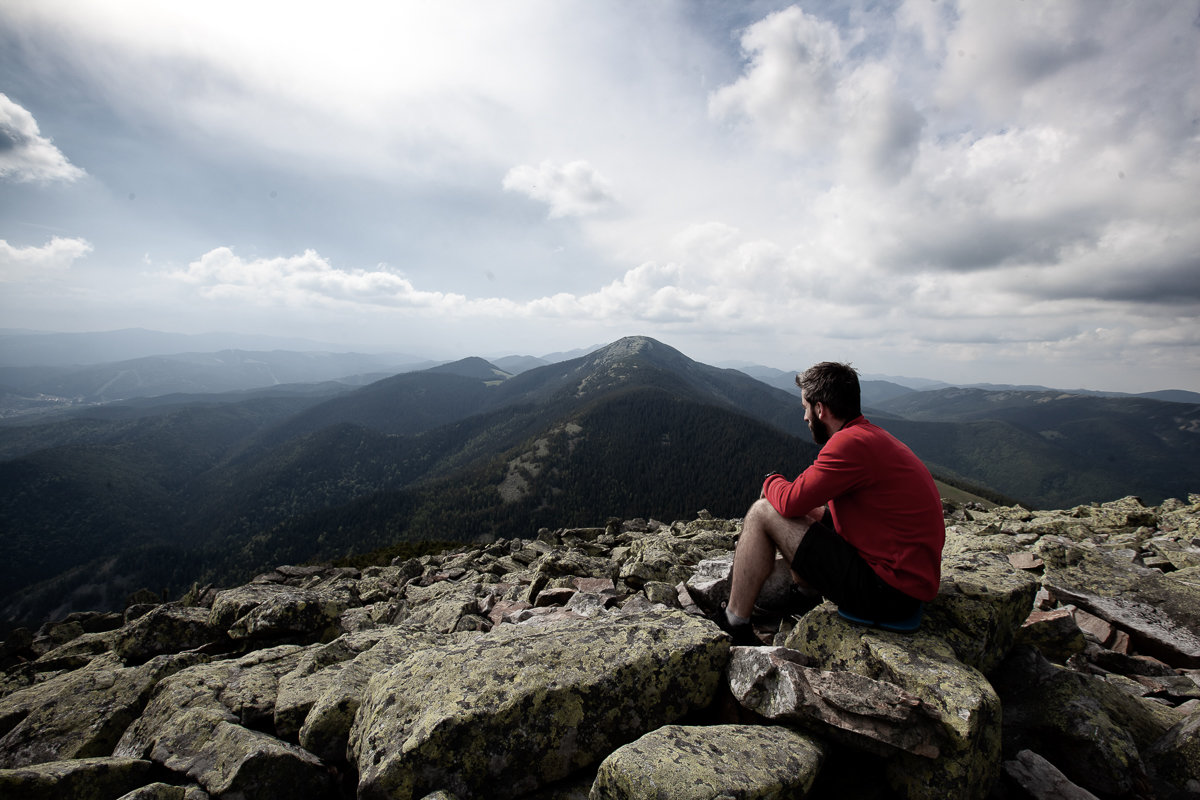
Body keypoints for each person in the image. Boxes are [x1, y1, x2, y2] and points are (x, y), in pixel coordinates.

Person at [714, 361, 945, 645]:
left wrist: (770, 480)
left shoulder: (848, 444)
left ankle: (734, 623)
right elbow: (843, 516)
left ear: (820, 409)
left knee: (764, 511)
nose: (805, 418)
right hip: (904, 587)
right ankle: (803, 596)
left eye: (805, 408)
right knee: (805, 512)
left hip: (886, 593)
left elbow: (787, 501)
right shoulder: (871, 437)